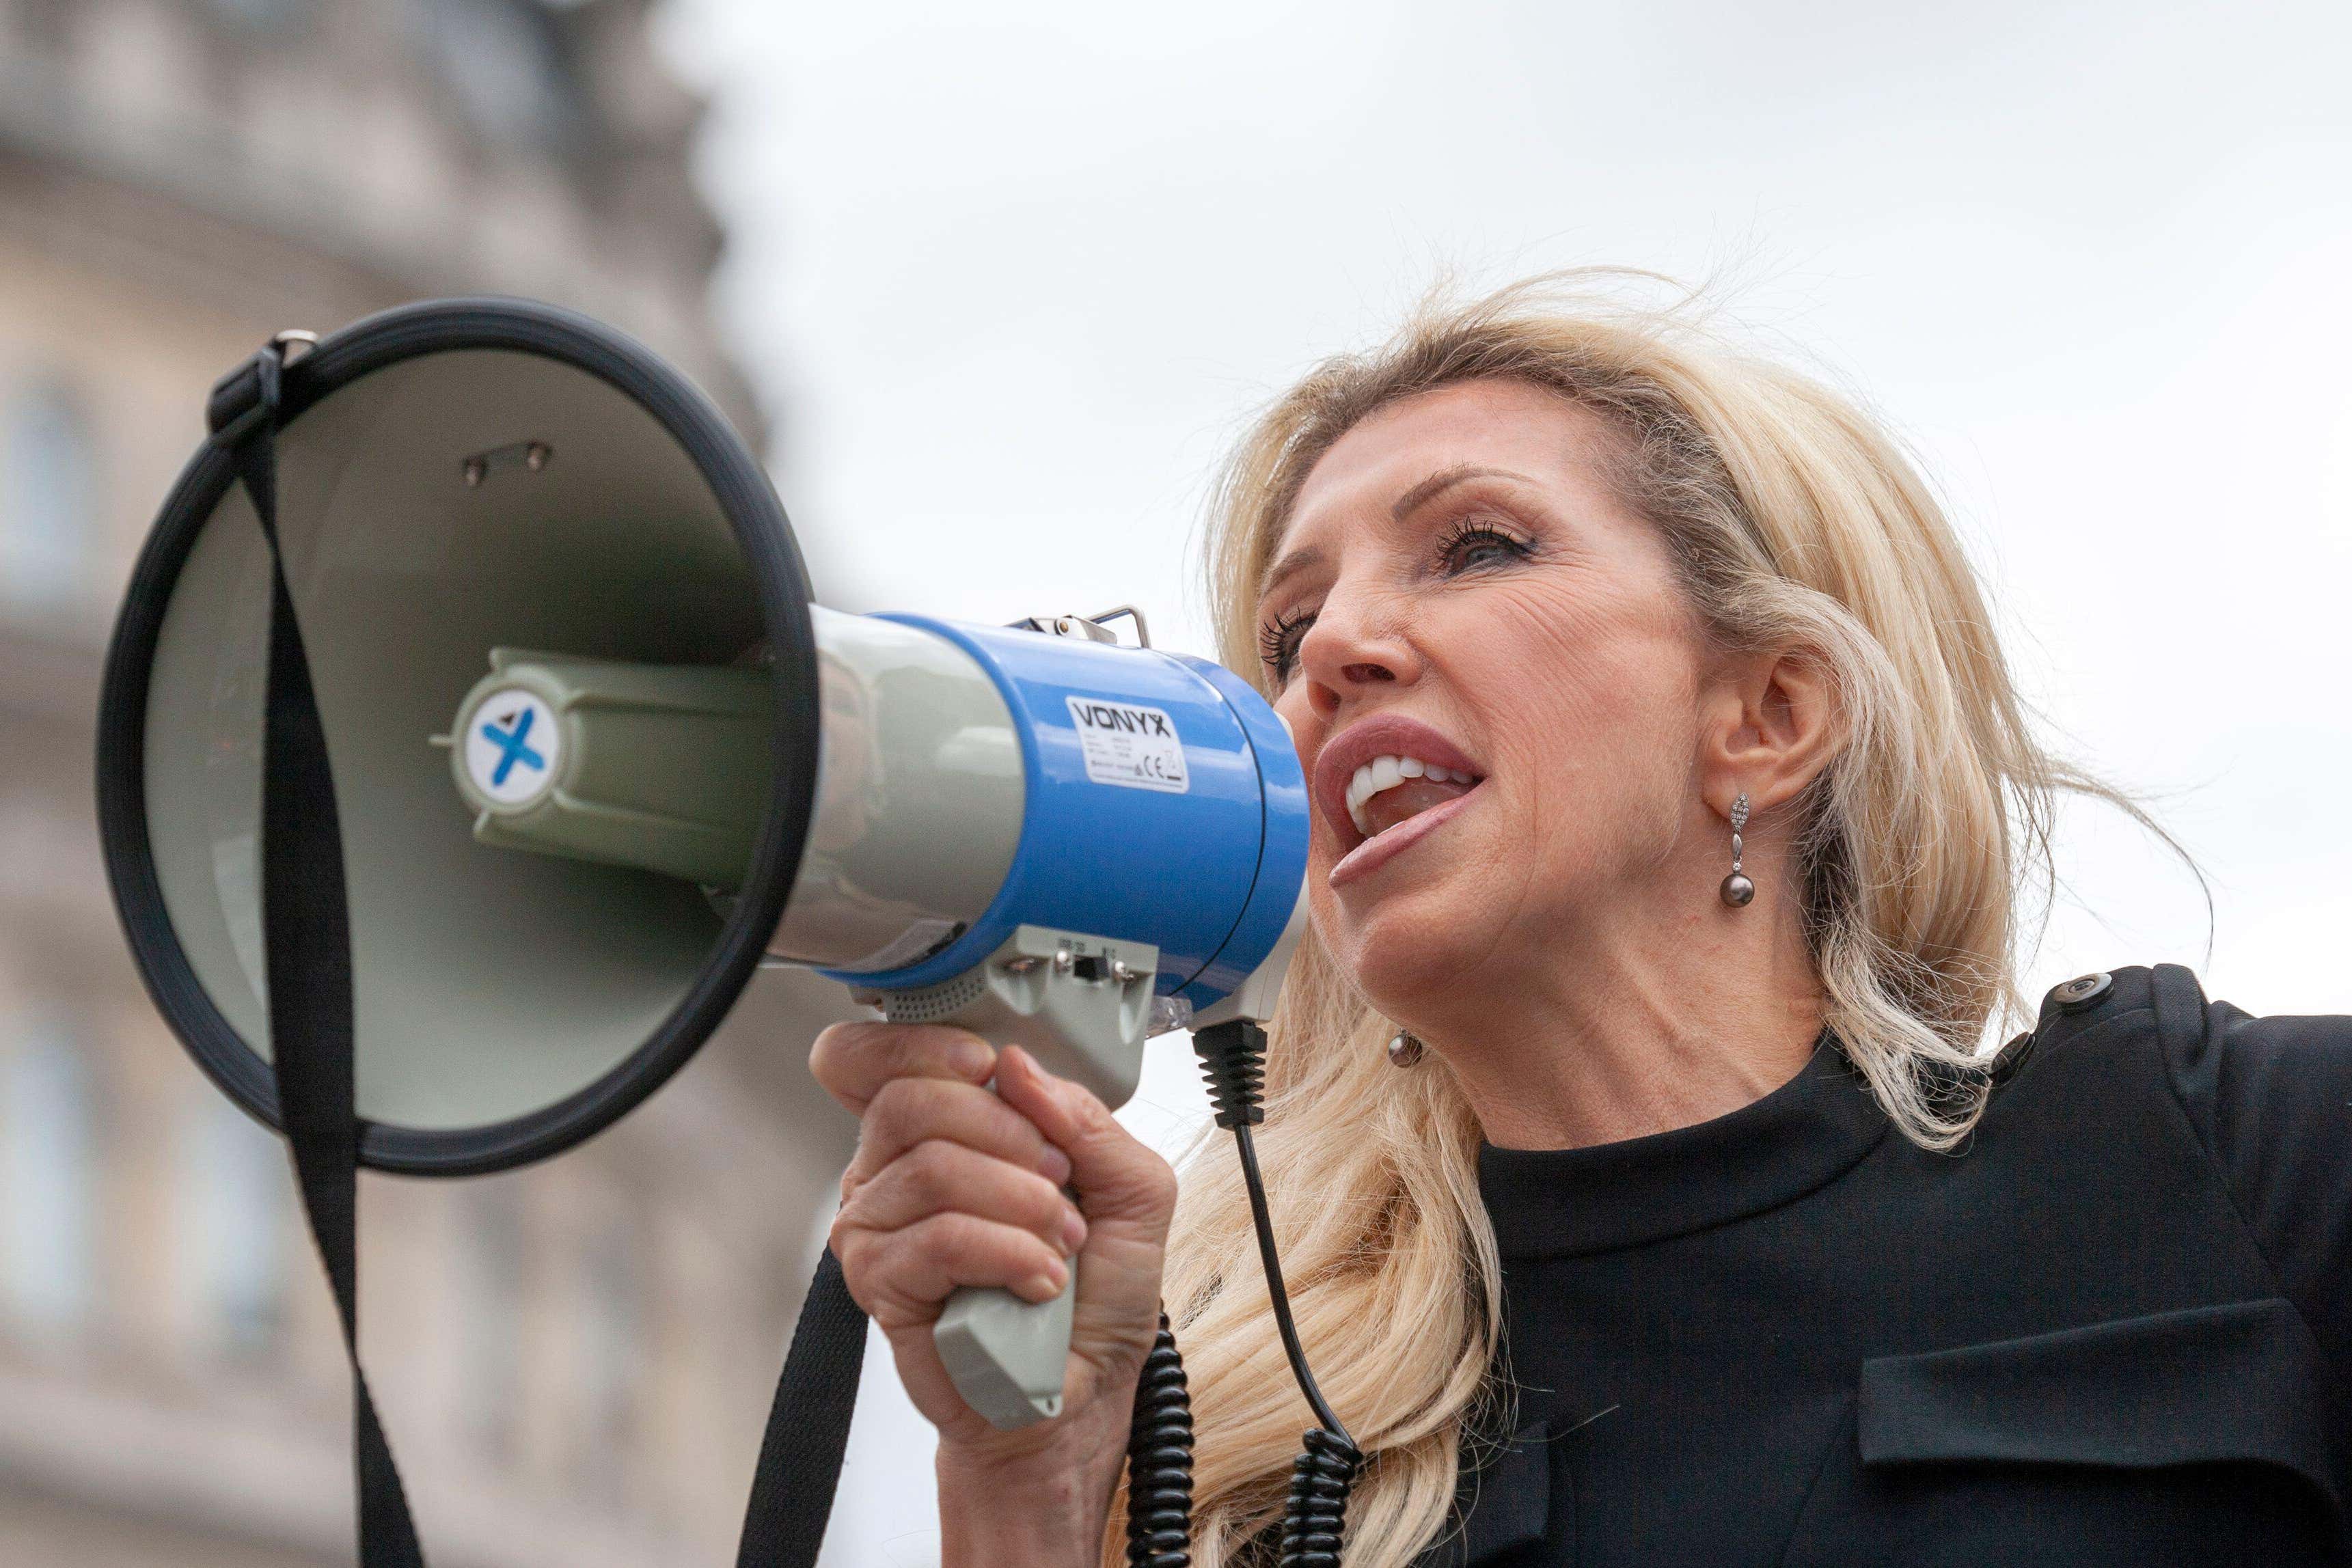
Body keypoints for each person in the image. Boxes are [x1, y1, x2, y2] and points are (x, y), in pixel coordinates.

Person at [810, 275, 2352, 1567]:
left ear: (1765, 711)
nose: (1330, 647)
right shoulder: (1257, 1441)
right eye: (1286, 631)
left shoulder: (2226, 1159)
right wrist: (1032, 1486)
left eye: (1476, 546)